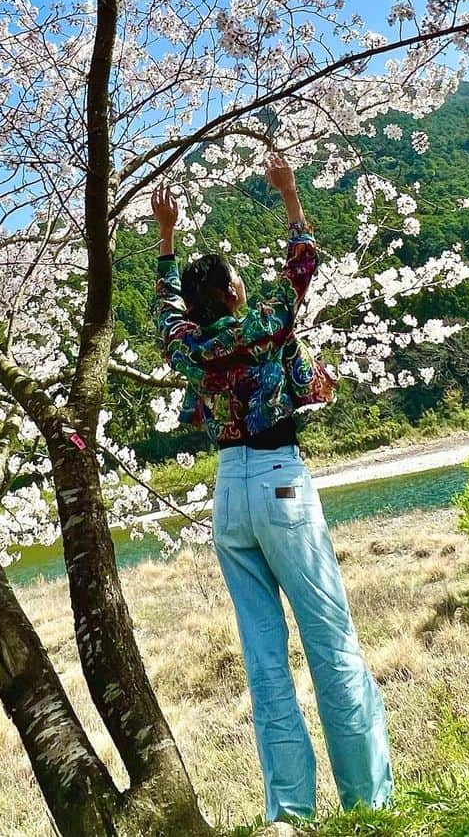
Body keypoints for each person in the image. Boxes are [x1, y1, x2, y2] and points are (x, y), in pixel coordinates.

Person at [151, 155, 393, 824]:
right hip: (283, 483)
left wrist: (165, 242)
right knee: (329, 636)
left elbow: (164, 311)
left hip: (228, 495)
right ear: (231, 294)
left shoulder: (188, 347)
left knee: (264, 658)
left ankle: (290, 810)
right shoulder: (262, 323)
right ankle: (369, 802)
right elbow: (303, 266)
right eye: (236, 279)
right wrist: (289, 194)